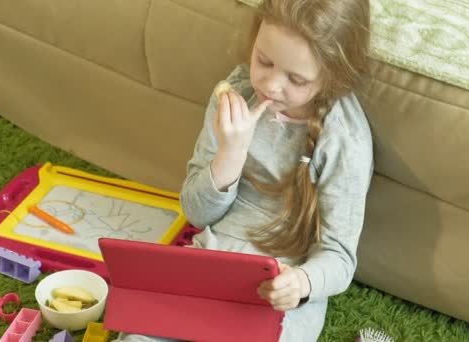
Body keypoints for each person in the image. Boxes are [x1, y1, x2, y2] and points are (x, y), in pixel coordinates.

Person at [116, 0, 372, 341]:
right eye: (263, 60)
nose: (271, 84)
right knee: (138, 336)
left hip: (284, 290)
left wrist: (301, 283)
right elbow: (197, 213)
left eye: (295, 79)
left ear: (333, 77)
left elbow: (339, 257)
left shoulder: (345, 140)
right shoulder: (235, 94)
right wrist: (231, 151)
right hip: (212, 262)